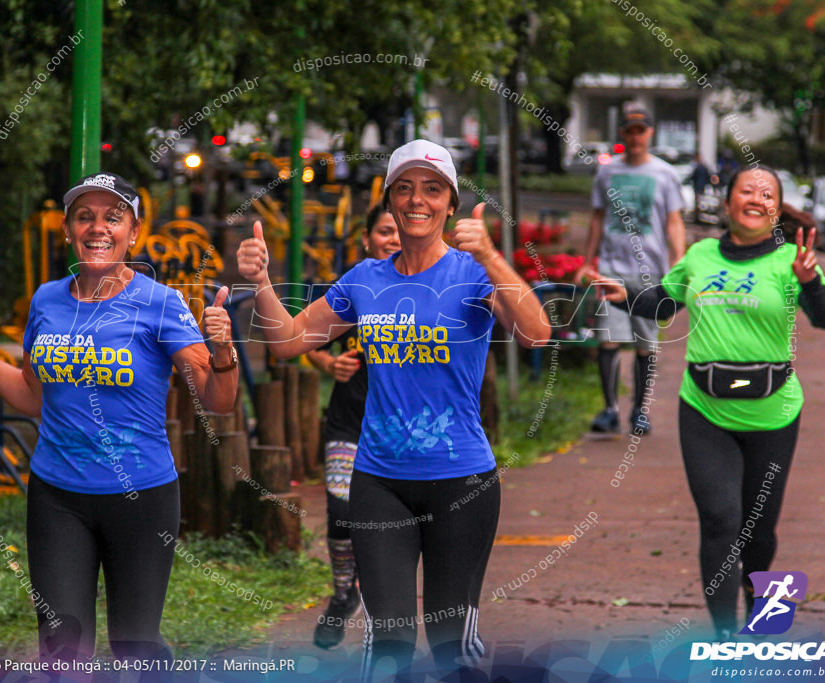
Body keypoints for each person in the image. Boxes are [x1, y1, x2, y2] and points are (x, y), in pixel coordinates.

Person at [237, 140, 550, 680]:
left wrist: (493, 256)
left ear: (451, 204)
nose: (417, 200)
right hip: (379, 480)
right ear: (390, 200)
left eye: (432, 189)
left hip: (462, 482)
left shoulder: (474, 274)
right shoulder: (365, 280)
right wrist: (262, 283)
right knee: (390, 640)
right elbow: (287, 341)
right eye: (404, 188)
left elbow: (537, 333)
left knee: (452, 642)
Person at [0, 172, 238, 663]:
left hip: (141, 499)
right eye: (85, 217)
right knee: (61, 653)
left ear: (133, 232)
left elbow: (217, 401)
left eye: (112, 217)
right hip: (57, 499)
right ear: (68, 229)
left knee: (134, 651)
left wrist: (224, 351)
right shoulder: (46, 300)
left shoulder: (161, 303)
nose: (98, 228)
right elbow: (34, 396)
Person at [593, 166, 825, 639]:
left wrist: (809, 282)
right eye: (745, 190)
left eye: (766, 194)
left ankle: (763, 621)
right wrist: (623, 294)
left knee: (759, 531)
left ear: (776, 209)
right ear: (726, 203)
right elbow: (666, 303)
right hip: (705, 409)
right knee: (720, 520)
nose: (755, 198)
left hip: (774, 413)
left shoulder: (793, 260)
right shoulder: (701, 255)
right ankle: (724, 636)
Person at [305, 204, 401, 650]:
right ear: (367, 239)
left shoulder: (430, 290)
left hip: (402, 431)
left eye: (400, 230)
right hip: (348, 423)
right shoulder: (352, 289)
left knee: (387, 525)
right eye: (384, 231)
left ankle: (385, 612)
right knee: (342, 512)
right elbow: (302, 339)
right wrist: (330, 362)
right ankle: (345, 594)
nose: (394, 238)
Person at [575, 102, 686, 436]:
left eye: (641, 130)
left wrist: (679, 263)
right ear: (622, 134)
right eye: (630, 131)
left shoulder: (664, 173)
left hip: (651, 271)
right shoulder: (607, 172)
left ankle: (639, 410)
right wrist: (587, 260)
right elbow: (597, 219)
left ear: (650, 133)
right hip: (612, 268)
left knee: (645, 343)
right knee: (609, 340)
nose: (636, 137)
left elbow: (674, 221)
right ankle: (609, 409)